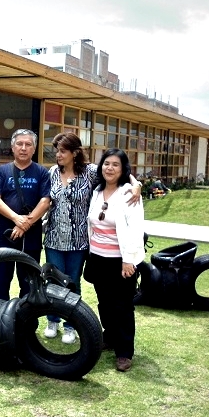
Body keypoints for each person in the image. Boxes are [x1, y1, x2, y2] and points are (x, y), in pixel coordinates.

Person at [43, 133, 142, 344]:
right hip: (54, 238)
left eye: (62, 151)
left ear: (74, 153)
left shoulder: (88, 173)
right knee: (53, 281)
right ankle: (52, 321)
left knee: (72, 282)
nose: (58, 155)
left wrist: (137, 185)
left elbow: (117, 175)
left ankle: (71, 324)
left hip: (79, 242)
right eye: (57, 151)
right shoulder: (51, 172)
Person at [84, 148, 145, 372]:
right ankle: (109, 337)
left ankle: (125, 352)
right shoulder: (97, 190)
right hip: (98, 258)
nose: (110, 168)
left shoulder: (129, 193)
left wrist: (129, 260)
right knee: (105, 302)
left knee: (123, 306)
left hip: (120, 261)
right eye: (106, 163)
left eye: (116, 165)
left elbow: (135, 229)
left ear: (123, 169)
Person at [0, 129, 51, 300]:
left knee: (29, 281)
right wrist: (16, 218)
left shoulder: (41, 172)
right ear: (13, 147)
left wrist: (26, 224)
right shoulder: (2, 171)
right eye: (20, 144)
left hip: (30, 237)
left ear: (34, 148)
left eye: (28, 144)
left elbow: (45, 201)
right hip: (3, 235)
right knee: (1, 280)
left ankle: (27, 323)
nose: (23, 148)